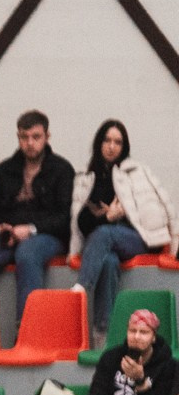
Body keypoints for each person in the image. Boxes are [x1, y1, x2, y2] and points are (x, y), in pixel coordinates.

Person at [0, 110, 75, 322]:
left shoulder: (62, 170)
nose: (30, 143)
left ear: (47, 137)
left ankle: (27, 335)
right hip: (8, 235)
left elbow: (65, 218)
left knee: (27, 254)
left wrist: (30, 230)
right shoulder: (4, 169)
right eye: (24, 137)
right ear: (18, 137)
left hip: (47, 236)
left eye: (36, 137)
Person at [70, 120, 174, 346]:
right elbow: (82, 222)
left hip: (136, 238)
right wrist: (106, 217)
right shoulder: (88, 178)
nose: (111, 146)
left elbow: (163, 206)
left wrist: (125, 213)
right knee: (107, 261)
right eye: (107, 140)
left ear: (124, 146)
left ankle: (80, 290)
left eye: (117, 142)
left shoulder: (137, 172)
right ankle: (102, 336)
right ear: (99, 143)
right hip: (104, 243)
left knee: (105, 233)